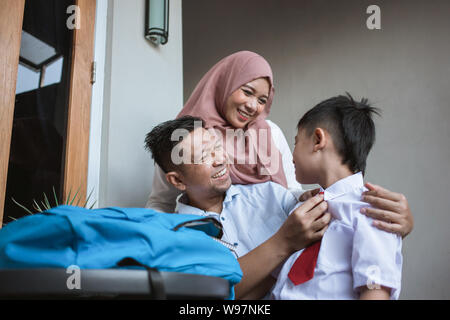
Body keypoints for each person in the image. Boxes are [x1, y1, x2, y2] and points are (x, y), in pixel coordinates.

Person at [145, 51, 414, 239]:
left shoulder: (268, 133)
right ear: (224, 85)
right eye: (247, 92)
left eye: (263, 100)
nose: (253, 106)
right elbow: (161, 202)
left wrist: (389, 223)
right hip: (219, 248)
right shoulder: (184, 136)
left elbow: (292, 195)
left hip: (276, 245)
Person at [271, 94, 402, 300]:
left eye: (296, 142)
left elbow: (374, 289)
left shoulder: (370, 210)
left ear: (317, 139)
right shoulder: (304, 211)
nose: (291, 155)